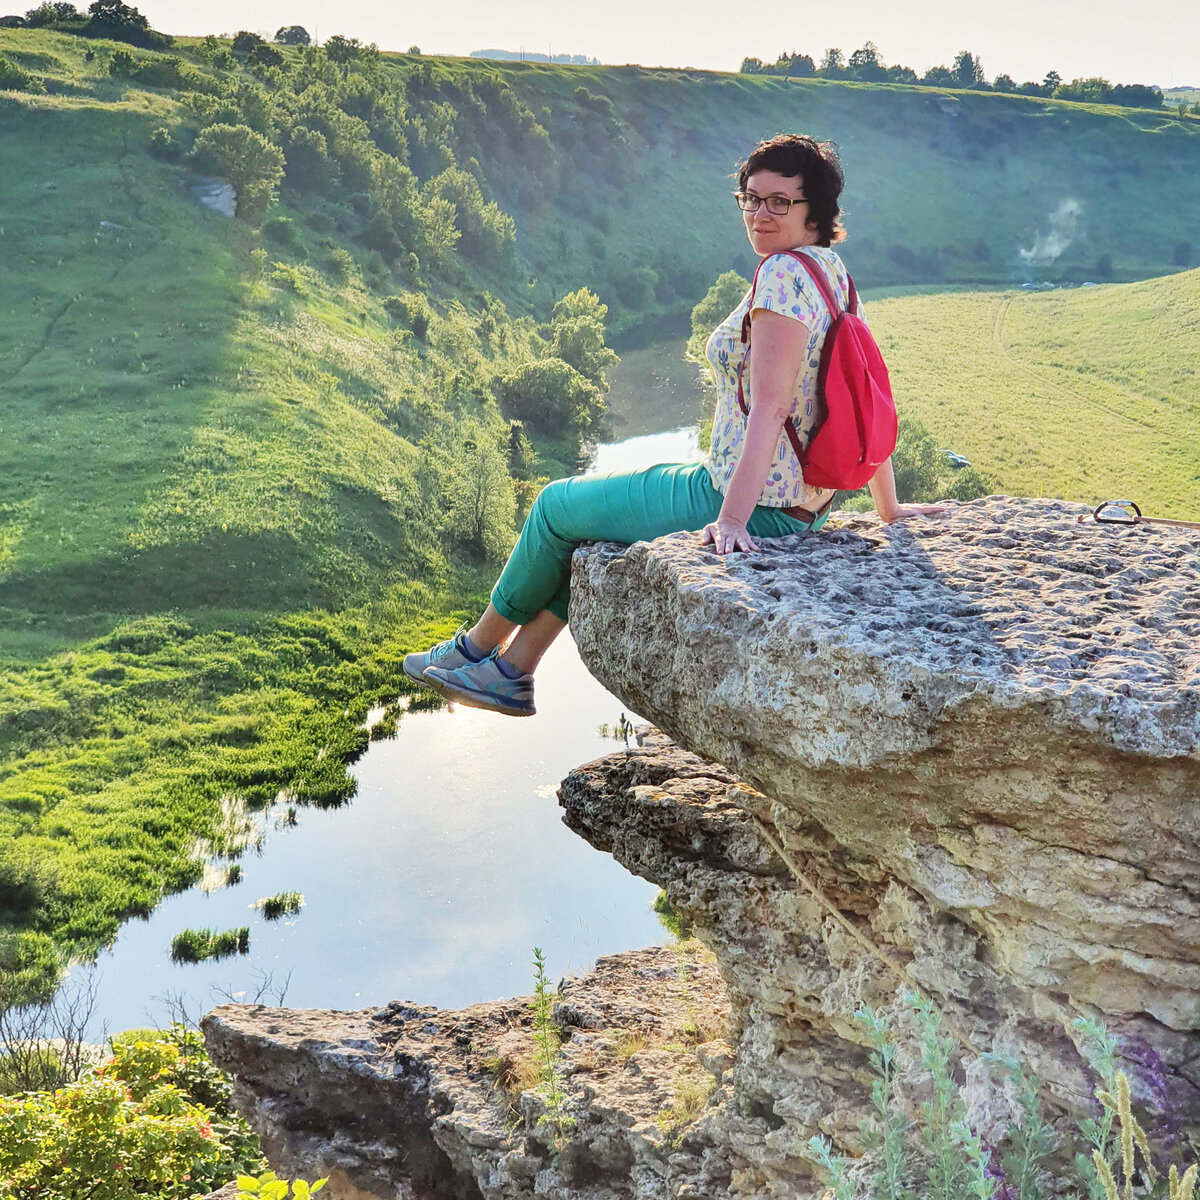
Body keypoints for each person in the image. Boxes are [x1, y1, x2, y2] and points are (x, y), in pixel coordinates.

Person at [404, 133, 945, 716]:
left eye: (780, 201)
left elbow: (771, 408)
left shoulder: (784, 277)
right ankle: (513, 670)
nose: (760, 213)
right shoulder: (832, 273)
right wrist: (888, 508)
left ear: (815, 210)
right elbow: (860, 395)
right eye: (750, 198)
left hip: (748, 501)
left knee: (554, 507)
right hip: (803, 503)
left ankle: (473, 649)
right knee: (592, 530)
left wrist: (731, 519)